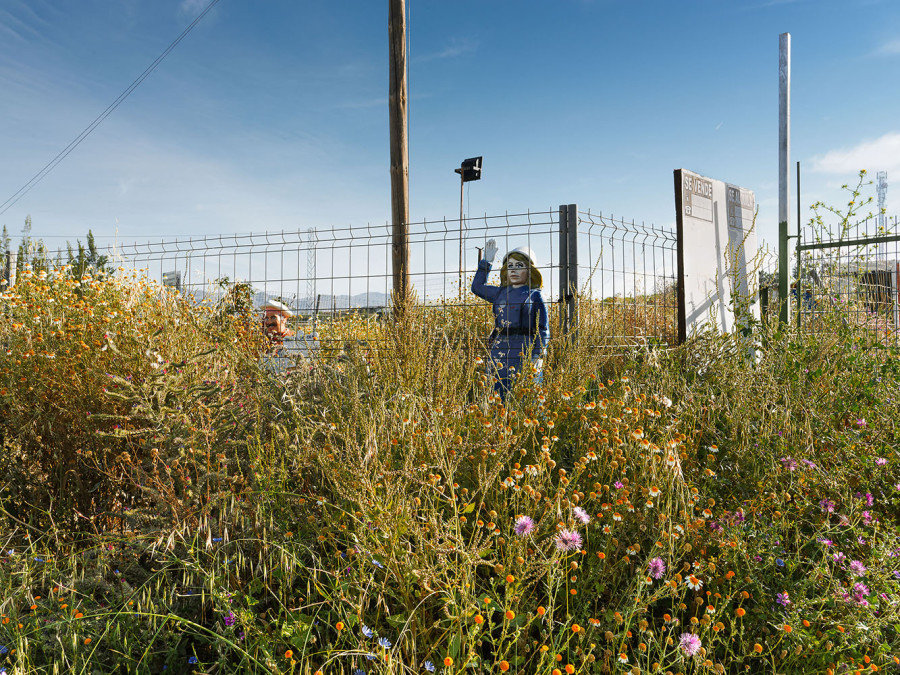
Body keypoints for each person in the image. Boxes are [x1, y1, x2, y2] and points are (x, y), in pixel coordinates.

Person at [471, 239, 549, 397]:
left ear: (530, 270)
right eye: (510, 266)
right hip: (500, 346)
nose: (513, 270)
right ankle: (496, 417)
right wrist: (486, 262)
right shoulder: (500, 292)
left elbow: (542, 328)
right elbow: (477, 287)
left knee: (526, 389)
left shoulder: (535, 295)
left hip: (525, 348)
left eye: (519, 266)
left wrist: (538, 353)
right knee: (496, 386)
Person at [260, 300, 316, 376]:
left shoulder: (294, 338)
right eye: (266, 318)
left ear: (284, 319)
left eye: (273, 318)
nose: (269, 322)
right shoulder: (263, 340)